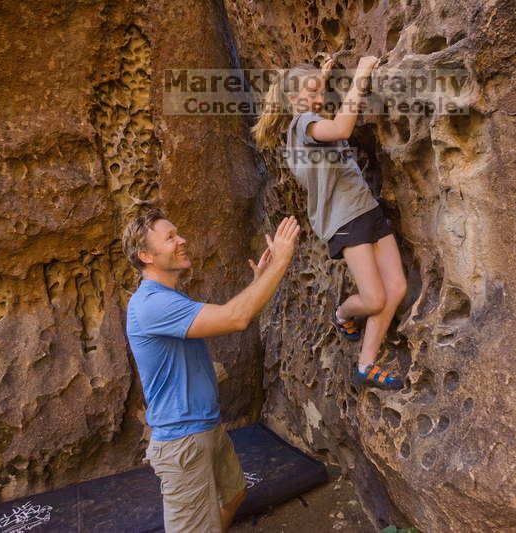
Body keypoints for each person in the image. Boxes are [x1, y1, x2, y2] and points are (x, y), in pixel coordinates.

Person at [121, 208, 300, 532]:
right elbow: (235, 318)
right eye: (170, 237)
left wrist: (260, 280)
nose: (182, 240)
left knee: (233, 495)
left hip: (205, 427)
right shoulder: (151, 304)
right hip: (183, 441)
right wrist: (283, 262)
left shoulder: (168, 296)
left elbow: (231, 313)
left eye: (178, 233)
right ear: (145, 255)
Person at [252, 56, 406, 390]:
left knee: (397, 288)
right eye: (316, 93)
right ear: (295, 99)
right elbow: (339, 128)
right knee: (376, 299)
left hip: (365, 208)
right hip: (345, 221)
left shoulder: (304, 119)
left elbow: (315, 106)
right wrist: (360, 75)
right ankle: (342, 314)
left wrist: (319, 77)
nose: (321, 99)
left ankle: (366, 365)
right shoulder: (303, 125)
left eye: (322, 92)